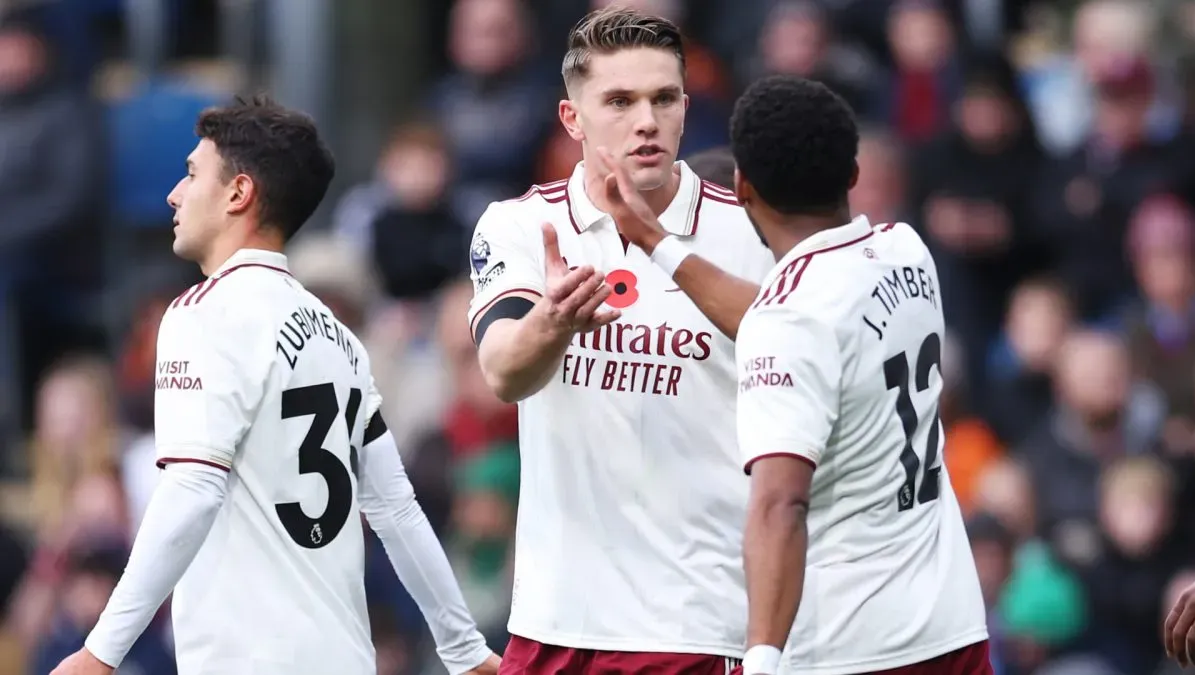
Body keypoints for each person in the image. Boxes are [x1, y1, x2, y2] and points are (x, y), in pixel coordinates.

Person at [50, 97, 500, 675]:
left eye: (191, 175)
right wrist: (464, 650)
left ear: (238, 194)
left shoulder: (201, 314)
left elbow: (192, 489)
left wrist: (100, 651)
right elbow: (397, 510)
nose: (174, 194)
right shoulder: (340, 338)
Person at [466, 6, 772, 674]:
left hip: (694, 623)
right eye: (620, 101)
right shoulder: (521, 226)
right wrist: (552, 322)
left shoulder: (751, 233)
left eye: (664, 99)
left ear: (687, 109)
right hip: (554, 618)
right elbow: (503, 373)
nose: (646, 121)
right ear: (572, 118)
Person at [731, 75, 989, 674]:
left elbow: (779, 504)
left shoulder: (789, 317)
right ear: (852, 173)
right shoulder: (907, 250)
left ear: (742, 186)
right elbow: (804, 329)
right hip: (952, 626)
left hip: (852, 646)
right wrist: (661, 245)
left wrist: (761, 662)